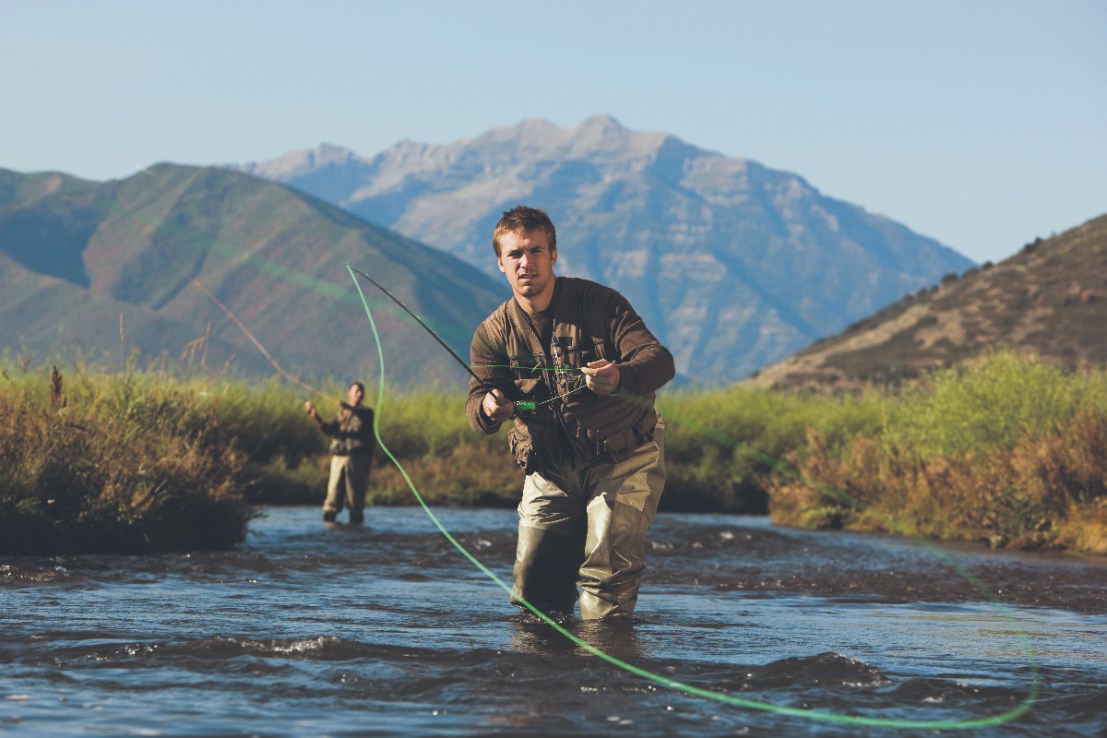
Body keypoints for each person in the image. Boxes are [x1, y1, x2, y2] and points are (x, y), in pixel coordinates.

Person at [465, 205, 676, 620]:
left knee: (605, 578)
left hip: (624, 457)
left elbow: (660, 361)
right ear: (500, 263)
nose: (527, 263)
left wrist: (619, 375)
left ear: (553, 255)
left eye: (536, 251)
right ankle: (543, 681)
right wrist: (490, 408)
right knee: (533, 594)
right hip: (550, 466)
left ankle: (604, 673)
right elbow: (476, 407)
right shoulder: (490, 336)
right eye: (515, 254)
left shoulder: (601, 305)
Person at [305, 382, 374, 525]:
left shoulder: (367, 413)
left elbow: (360, 414)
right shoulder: (341, 414)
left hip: (357, 459)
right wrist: (315, 416)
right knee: (332, 495)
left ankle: (356, 525)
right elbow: (329, 430)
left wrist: (348, 407)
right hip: (338, 459)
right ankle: (330, 524)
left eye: (361, 391)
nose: (359, 394)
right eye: (356, 391)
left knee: (355, 498)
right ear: (349, 393)